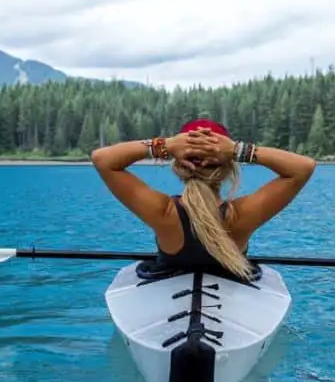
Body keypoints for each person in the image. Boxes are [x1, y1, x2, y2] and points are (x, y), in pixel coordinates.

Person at [90, 118, 316, 281]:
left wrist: (165, 145)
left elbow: (102, 159)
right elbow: (303, 167)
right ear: (229, 166)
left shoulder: (163, 212)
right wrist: (238, 150)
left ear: (178, 164)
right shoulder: (241, 216)